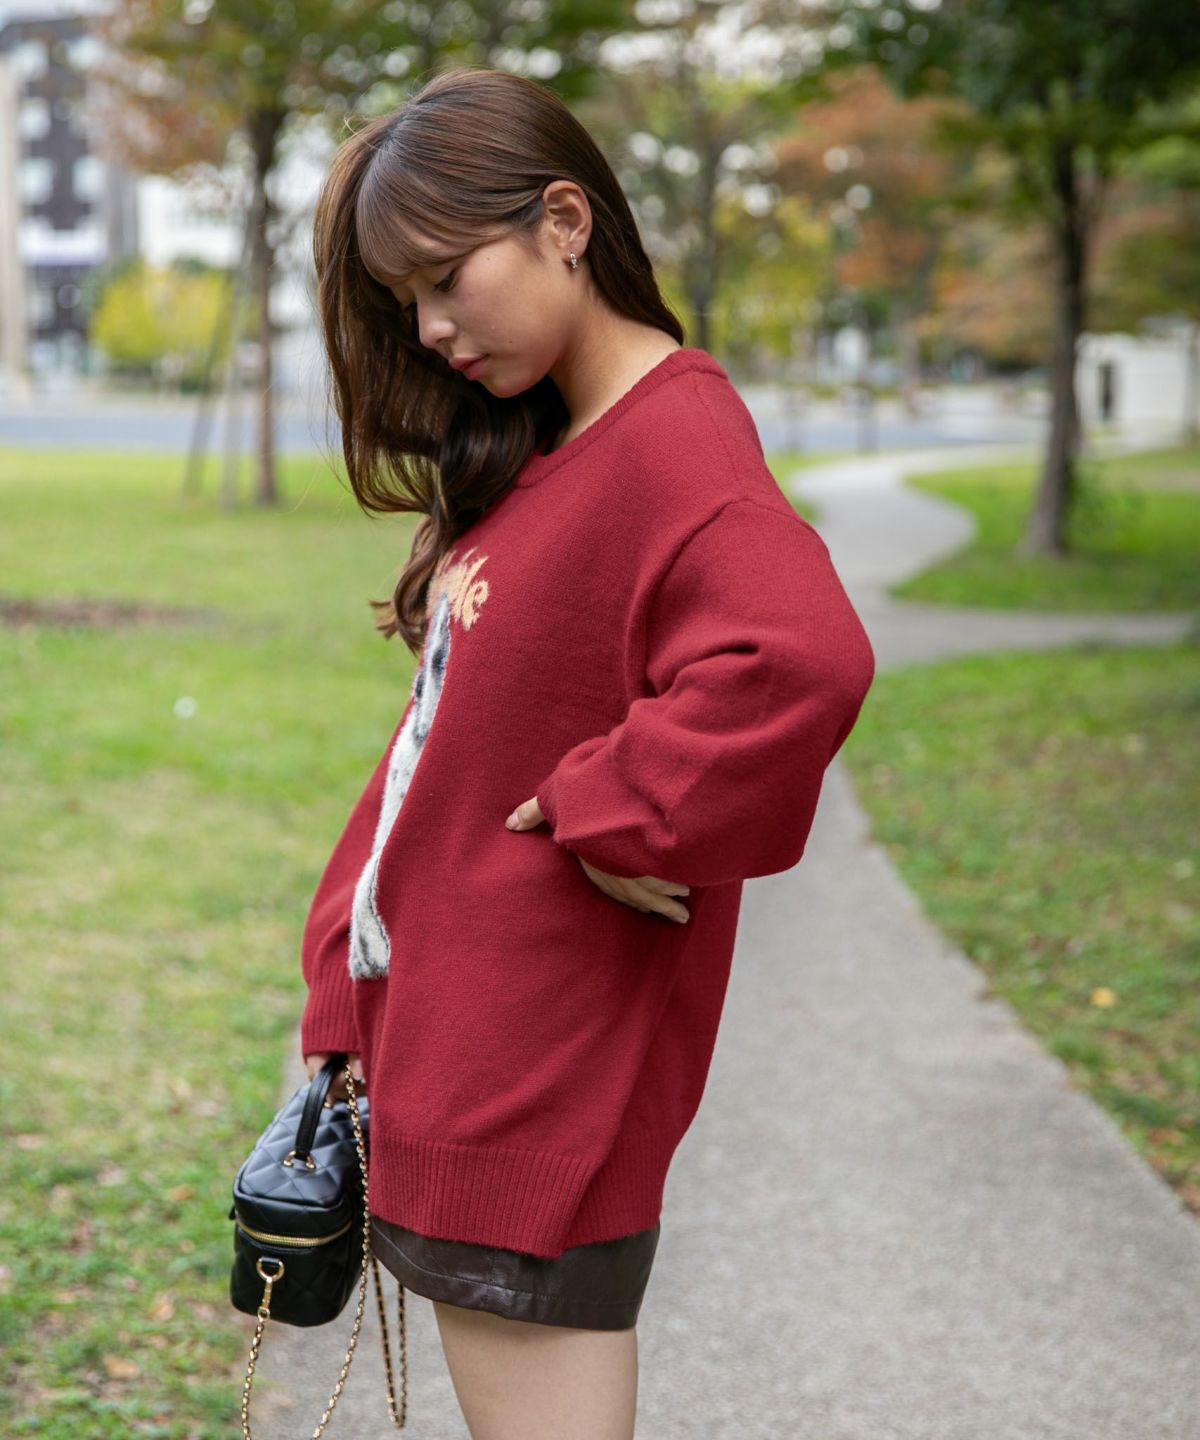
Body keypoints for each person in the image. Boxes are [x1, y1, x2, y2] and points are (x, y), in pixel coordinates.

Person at [299, 64, 875, 1440]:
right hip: (456, 1057)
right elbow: (440, 757)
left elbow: (800, 657)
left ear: (565, 221)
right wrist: (345, 998)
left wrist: (612, 805)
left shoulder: (675, 441)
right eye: (404, 300)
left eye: (447, 278)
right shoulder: (556, 449)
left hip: (531, 1085)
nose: (431, 328)